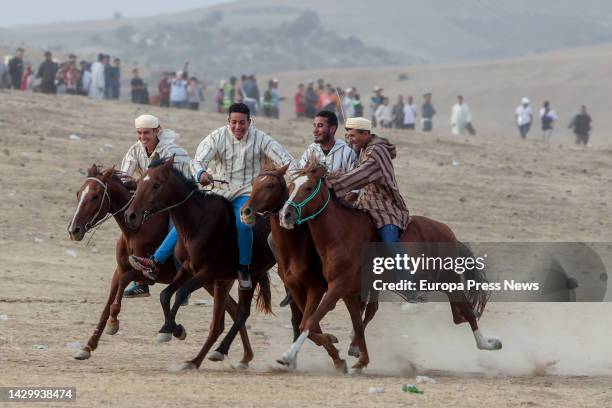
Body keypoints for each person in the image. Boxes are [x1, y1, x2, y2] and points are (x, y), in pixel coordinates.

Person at [129, 103, 295, 290]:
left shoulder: (262, 139)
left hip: (245, 193)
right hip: (217, 191)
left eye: (242, 122)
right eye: (233, 122)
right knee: (186, 221)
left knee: (244, 224)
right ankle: (156, 261)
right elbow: (199, 160)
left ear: (250, 122)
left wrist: (298, 179)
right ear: (228, 122)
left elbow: (287, 160)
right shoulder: (217, 137)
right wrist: (201, 174)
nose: (237, 127)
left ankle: (244, 268)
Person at [121, 114, 192, 298]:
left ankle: (182, 284)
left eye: (147, 133)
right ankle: (141, 282)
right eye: (139, 133)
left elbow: (182, 186)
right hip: (151, 205)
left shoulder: (174, 152)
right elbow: (124, 176)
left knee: (177, 235)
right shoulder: (135, 150)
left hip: (177, 204)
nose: (142, 137)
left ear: (157, 131)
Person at [326, 117, 410, 244]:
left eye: (353, 135)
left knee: (391, 245)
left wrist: (333, 184)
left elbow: (362, 173)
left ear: (365, 134)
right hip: (364, 203)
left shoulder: (376, 151)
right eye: (348, 136)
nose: (350, 139)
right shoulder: (364, 148)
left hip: (384, 206)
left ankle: (400, 264)